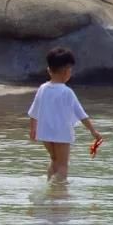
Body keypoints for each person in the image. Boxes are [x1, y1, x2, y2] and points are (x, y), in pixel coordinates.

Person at [28, 47, 102, 183]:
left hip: (44, 132)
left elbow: (34, 111)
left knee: (54, 160)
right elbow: (81, 114)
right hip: (61, 133)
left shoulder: (42, 88)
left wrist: (33, 129)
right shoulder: (66, 92)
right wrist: (93, 131)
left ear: (49, 70)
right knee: (63, 165)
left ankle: (50, 184)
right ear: (67, 72)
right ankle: (59, 192)